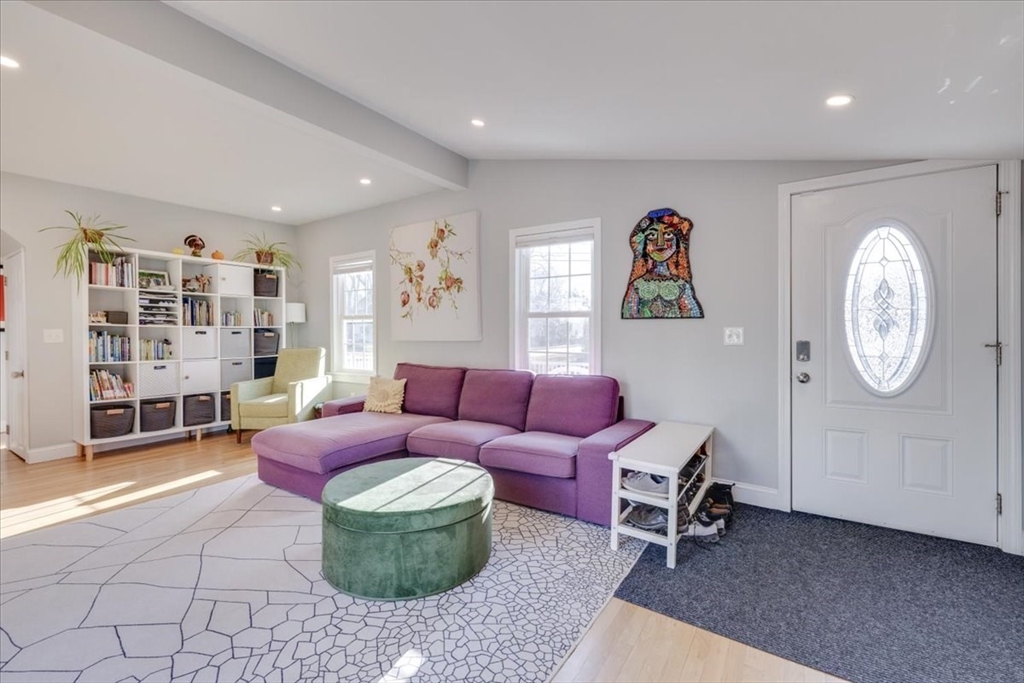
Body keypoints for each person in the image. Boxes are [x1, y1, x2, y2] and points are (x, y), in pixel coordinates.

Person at [621, 208, 704, 318]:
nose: (660, 243)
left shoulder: (682, 285)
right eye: (652, 235)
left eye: (668, 234)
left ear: (677, 243)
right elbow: (629, 314)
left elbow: (691, 313)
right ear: (644, 244)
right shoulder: (636, 285)